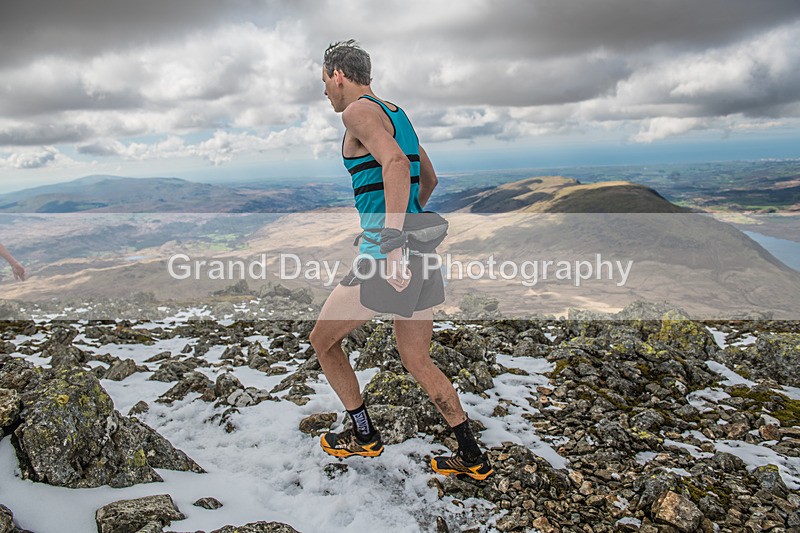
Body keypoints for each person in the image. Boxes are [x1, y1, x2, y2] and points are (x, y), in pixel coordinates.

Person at [309, 40, 493, 481]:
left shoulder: (357, 112)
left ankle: (364, 434)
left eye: (324, 83)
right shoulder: (397, 114)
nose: (325, 93)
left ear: (338, 75)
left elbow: (393, 163)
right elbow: (428, 178)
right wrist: (409, 224)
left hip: (385, 257)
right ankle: (472, 456)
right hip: (421, 255)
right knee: (417, 360)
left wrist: (392, 244)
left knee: (322, 342)